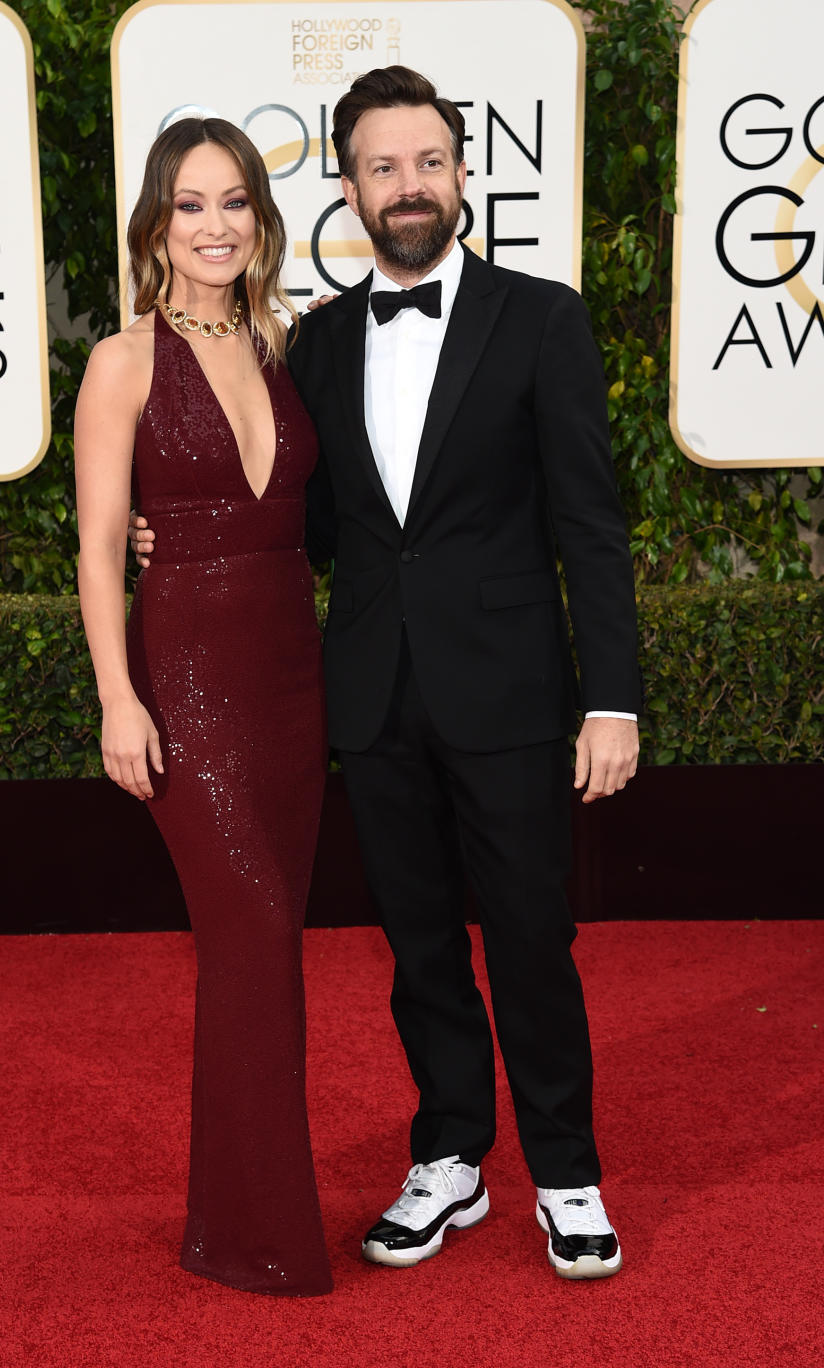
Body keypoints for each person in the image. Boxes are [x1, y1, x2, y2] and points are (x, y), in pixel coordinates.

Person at [132, 67, 642, 1281]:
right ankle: (451, 1156)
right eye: (380, 167)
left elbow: (592, 524)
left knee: (529, 935)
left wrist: (611, 697)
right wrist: (172, 533)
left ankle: (566, 1170)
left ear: (461, 175)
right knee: (417, 944)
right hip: (367, 695)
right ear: (349, 190)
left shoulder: (543, 320)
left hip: (514, 693)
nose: (405, 187)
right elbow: (298, 520)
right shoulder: (311, 341)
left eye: (426, 163)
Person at [75, 117, 331, 1296]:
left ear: (261, 221)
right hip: (184, 678)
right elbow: (95, 545)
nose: (216, 225)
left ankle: (240, 1212)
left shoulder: (284, 342)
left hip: (290, 674)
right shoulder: (124, 360)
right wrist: (118, 698)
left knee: (264, 944)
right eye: (191, 204)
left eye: (235, 202)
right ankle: (253, 1230)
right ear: (156, 223)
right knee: (255, 929)